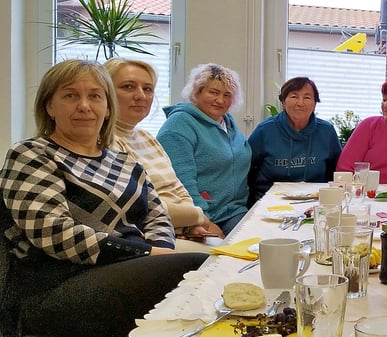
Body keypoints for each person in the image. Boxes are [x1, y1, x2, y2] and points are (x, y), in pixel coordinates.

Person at [0, 60, 206, 337]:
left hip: (122, 273)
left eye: (95, 96)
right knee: (199, 268)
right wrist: (145, 254)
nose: (84, 106)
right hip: (57, 288)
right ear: (49, 106)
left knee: (204, 275)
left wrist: (160, 252)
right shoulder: (32, 154)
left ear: (107, 107)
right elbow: (51, 231)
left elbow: (156, 216)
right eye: (71, 95)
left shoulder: (124, 160)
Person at [104, 58, 223, 244]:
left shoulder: (146, 137)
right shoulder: (105, 143)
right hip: (149, 237)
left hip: (183, 227)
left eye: (148, 89)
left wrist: (191, 224)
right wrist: (198, 218)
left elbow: (177, 188)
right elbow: (139, 208)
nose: (140, 96)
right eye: (128, 87)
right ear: (105, 92)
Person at [158, 63, 251, 234]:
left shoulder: (227, 122)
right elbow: (182, 183)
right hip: (203, 216)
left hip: (234, 211)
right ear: (197, 91)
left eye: (227, 95)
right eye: (213, 92)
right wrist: (202, 220)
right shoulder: (178, 126)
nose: (220, 100)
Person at [247, 77, 341, 203]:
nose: (300, 103)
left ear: (315, 103)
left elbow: (336, 170)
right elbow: (247, 169)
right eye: (294, 96)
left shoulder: (326, 131)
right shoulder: (265, 130)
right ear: (283, 103)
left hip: (315, 202)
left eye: (307, 97)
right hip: (270, 201)